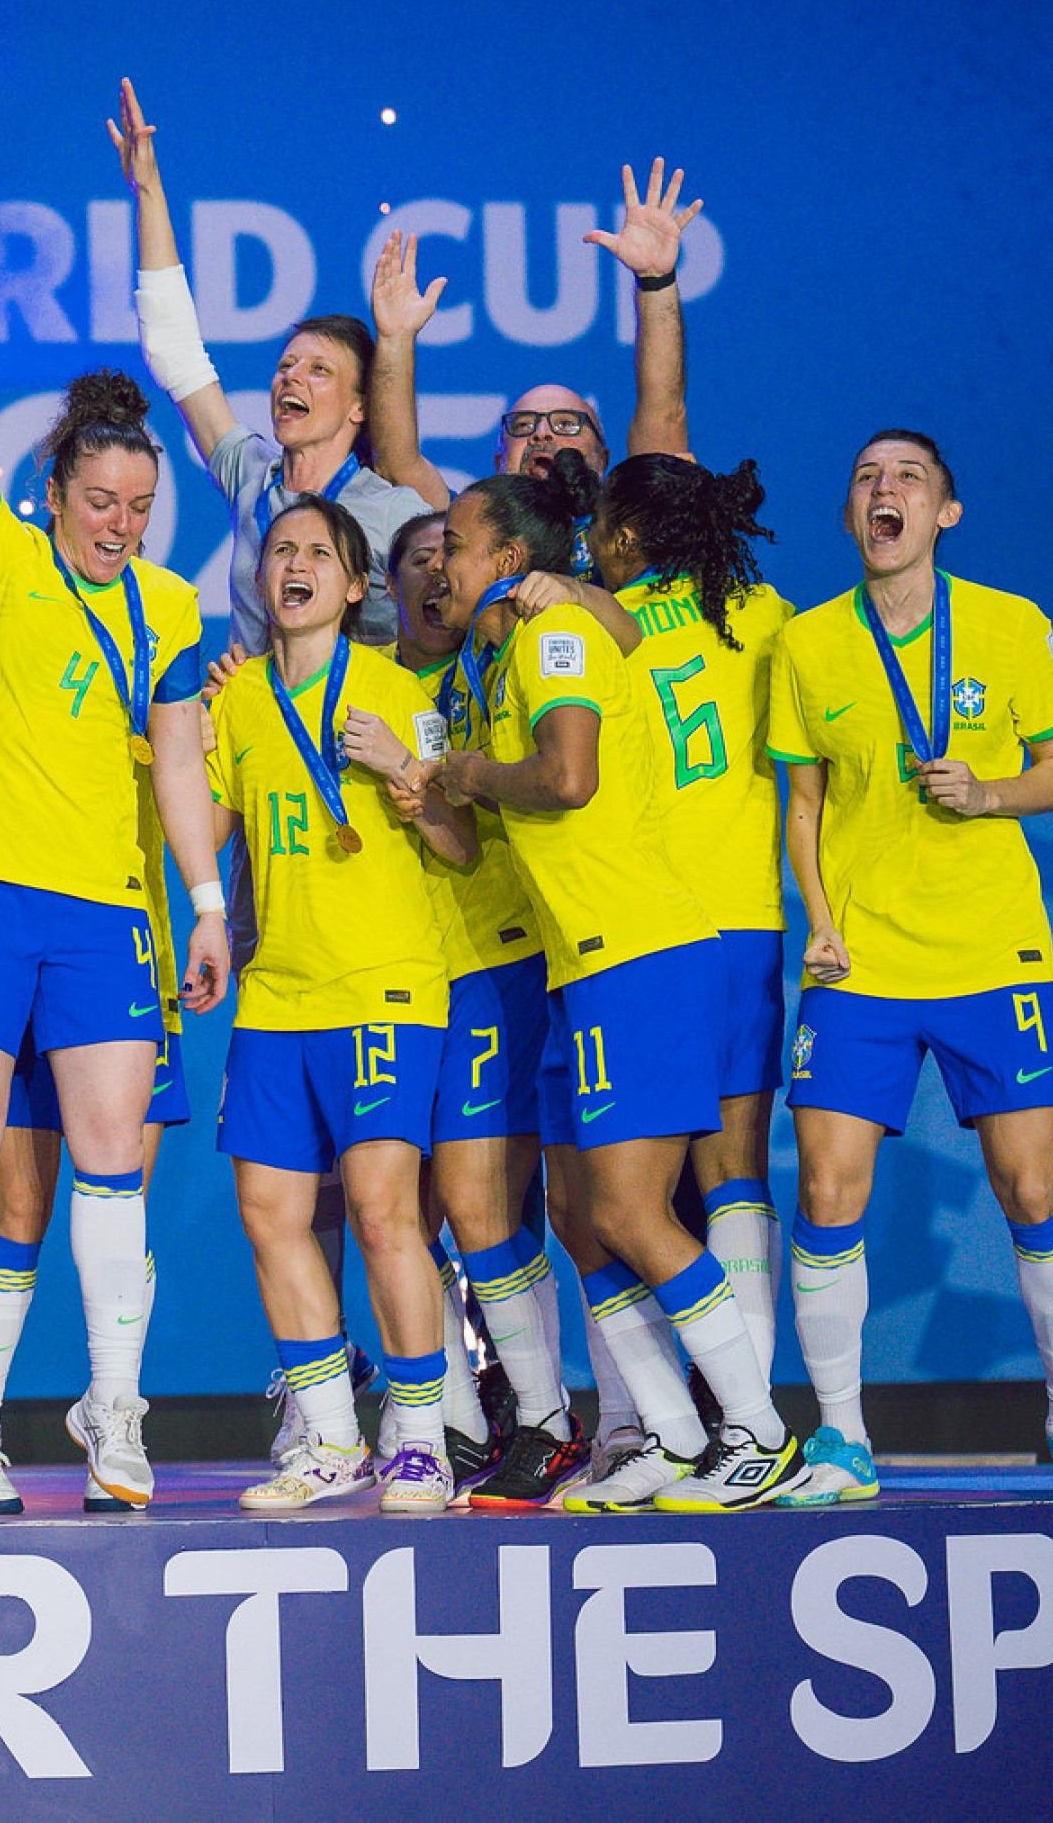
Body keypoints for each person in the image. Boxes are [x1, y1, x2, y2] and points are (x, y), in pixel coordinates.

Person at [0, 310, 229, 1511]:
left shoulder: (169, 612)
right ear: (54, 487)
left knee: (107, 1165)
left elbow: (182, 762)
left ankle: (113, 1408)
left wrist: (203, 902)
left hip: (102, 916)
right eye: (100, 503)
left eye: (137, 509)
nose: (120, 526)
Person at [432, 470, 801, 1512]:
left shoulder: (556, 642)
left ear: (509, 559)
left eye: (457, 542)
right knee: (586, 1217)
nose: (442, 562)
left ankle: (758, 1431)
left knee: (637, 1211)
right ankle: (675, 1437)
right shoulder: (510, 658)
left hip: (637, 953)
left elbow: (568, 777)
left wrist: (466, 773)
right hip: (577, 967)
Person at [766, 431, 1053, 1503]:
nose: (886, 491)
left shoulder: (1011, 628)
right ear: (850, 517)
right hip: (860, 961)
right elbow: (803, 804)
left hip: (989, 950)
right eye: (868, 479)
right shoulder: (811, 644)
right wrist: (817, 922)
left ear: (945, 514)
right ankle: (839, 1438)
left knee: (1033, 1184)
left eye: (908, 479)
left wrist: (991, 791)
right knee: (828, 1191)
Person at [205, 498, 467, 1512]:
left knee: (382, 1211)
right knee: (271, 1213)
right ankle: (326, 1438)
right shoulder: (237, 701)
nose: (296, 563)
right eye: (281, 550)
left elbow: (459, 843)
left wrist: (406, 772)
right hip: (279, 993)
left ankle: (416, 1436)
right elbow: (206, 825)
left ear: (356, 586)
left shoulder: (401, 693)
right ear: (263, 579)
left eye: (320, 552)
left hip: (386, 987)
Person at [382, 509, 583, 1509]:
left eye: (445, 556)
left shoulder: (502, 665)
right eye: (414, 563)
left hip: (490, 960)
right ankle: (457, 1417)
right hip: (388, 978)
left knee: (479, 1201)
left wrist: (571, 591)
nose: (433, 577)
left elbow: (481, 822)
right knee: (404, 1206)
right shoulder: (367, 681)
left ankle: (547, 1418)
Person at [584, 455, 797, 1393]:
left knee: (622, 1196)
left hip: (646, 935)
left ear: (626, 539)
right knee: (734, 1173)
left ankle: (676, 1419)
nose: (588, 542)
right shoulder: (760, 613)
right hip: (747, 920)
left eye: (599, 527)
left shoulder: (590, 622)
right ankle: (742, 1411)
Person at [112, 78, 439, 650]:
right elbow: (176, 352)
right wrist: (149, 191)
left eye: (320, 371)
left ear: (361, 406)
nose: (291, 377)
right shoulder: (251, 474)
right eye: (287, 365)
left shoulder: (393, 513)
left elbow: (448, 621)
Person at [367, 157, 701, 496]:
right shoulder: (467, 535)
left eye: (567, 425)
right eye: (523, 425)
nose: (542, 434)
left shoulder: (628, 533)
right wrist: (394, 340)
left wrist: (655, 280)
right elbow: (398, 466)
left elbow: (663, 416)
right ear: (499, 463)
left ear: (603, 460)